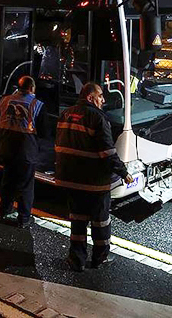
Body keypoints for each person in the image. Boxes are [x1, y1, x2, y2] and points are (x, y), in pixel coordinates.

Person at [55, 82, 134, 272]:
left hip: (71, 180)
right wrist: (124, 173)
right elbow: (107, 152)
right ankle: (100, 258)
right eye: (100, 96)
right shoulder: (97, 118)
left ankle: (76, 259)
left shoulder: (65, 114)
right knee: (100, 222)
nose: (103, 99)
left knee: (78, 221)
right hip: (93, 182)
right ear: (90, 98)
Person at [0, 75, 47, 229]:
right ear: (32, 88)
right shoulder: (37, 104)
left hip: (6, 147)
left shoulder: (5, 100)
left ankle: (5, 210)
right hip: (26, 152)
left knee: (8, 181)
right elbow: (44, 132)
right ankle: (24, 218)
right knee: (25, 186)